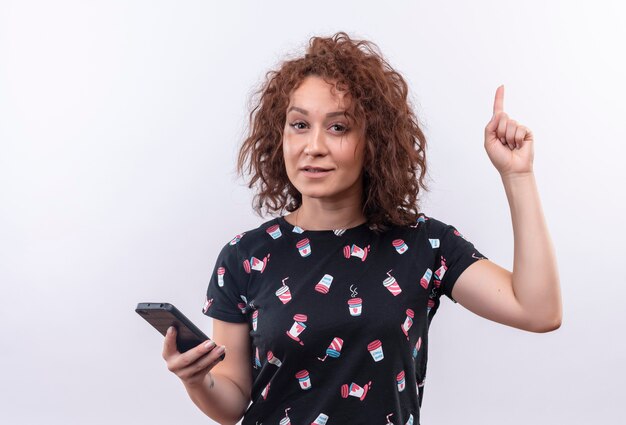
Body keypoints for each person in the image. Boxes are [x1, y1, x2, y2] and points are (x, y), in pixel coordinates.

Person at [162, 32, 562, 425]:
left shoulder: (426, 245)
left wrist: (518, 175)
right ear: (278, 135)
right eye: (299, 124)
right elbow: (232, 402)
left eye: (338, 127)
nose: (313, 146)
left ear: (374, 141)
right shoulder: (244, 256)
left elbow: (538, 310)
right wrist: (197, 380)